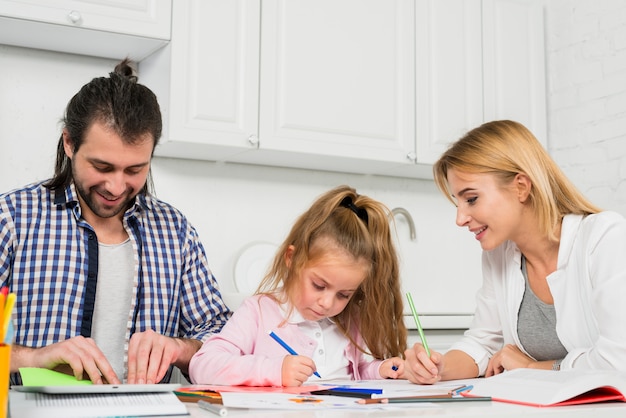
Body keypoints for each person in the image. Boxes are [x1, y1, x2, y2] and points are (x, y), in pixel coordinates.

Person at [0, 59, 231, 385]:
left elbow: (222, 337)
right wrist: (35, 357)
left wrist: (177, 347)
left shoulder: (174, 231)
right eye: (103, 167)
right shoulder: (12, 219)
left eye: (135, 170)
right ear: (69, 143)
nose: (116, 186)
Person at [404, 120, 626, 384]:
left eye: (471, 199)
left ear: (521, 187)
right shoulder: (498, 256)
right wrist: (437, 367)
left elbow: (618, 361)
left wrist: (533, 367)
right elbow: (483, 343)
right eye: (457, 202)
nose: (460, 218)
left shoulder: (604, 237)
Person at [189, 185, 407, 386]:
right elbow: (203, 365)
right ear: (292, 259)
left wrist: (378, 370)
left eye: (344, 295)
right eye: (319, 285)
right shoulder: (258, 312)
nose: (327, 303)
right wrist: (274, 370)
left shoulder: (350, 320)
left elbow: (350, 374)